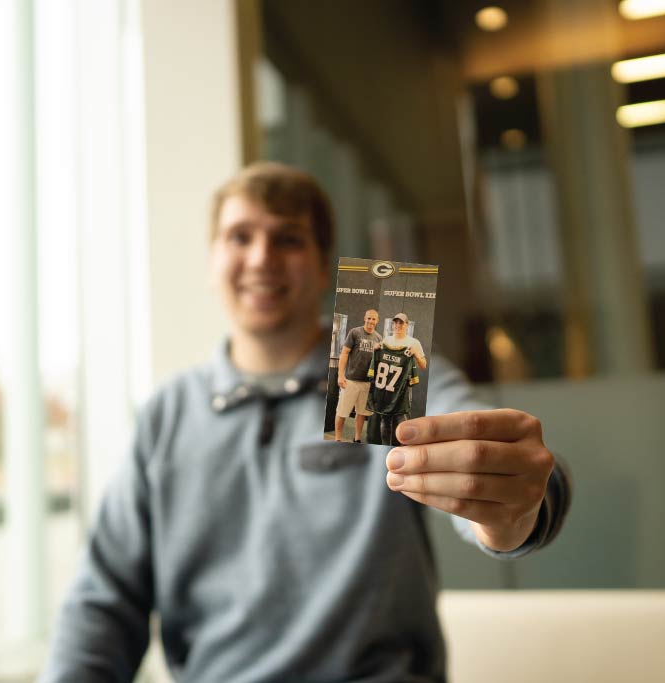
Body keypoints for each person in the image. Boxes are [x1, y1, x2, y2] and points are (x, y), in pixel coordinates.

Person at [40, 162, 571, 683]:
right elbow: (104, 602)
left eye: (288, 239)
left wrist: (512, 507)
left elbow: (486, 452)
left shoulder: (389, 372)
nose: (261, 258)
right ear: (212, 261)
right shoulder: (166, 416)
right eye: (239, 236)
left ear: (322, 268)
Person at [366, 313, 422, 446]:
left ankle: (408, 445)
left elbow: (423, 364)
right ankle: (386, 446)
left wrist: (415, 354)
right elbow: (376, 362)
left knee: (401, 419)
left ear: (406, 325)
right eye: (396, 323)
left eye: (401, 323)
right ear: (393, 325)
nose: (398, 325)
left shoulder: (413, 343)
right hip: (386, 390)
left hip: (402, 390)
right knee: (385, 420)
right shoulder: (386, 342)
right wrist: (376, 350)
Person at [334, 309, 381, 442]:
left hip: (367, 383)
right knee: (342, 412)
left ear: (377, 321)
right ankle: (338, 438)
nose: (371, 321)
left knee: (361, 413)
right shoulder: (355, 332)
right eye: (369, 318)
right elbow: (344, 353)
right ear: (364, 318)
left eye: (374, 319)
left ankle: (357, 438)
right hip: (350, 381)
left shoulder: (378, 338)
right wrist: (340, 375)